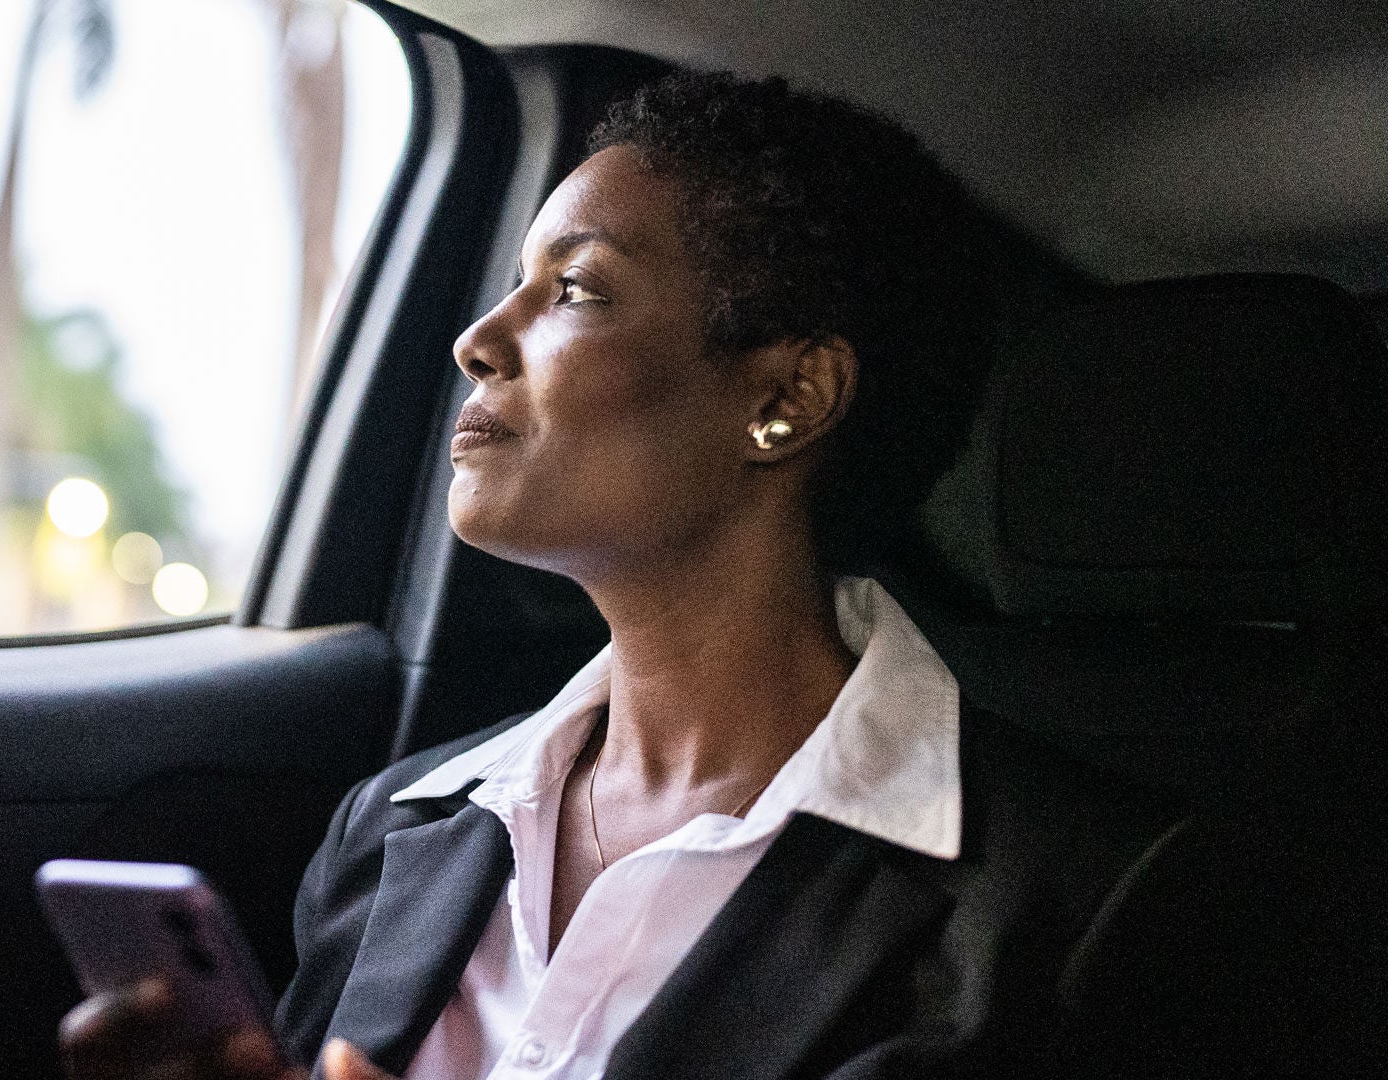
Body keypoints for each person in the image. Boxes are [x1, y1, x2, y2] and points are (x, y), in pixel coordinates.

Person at [61, 72, 1191, 1080]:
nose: (477, 339)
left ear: (787, 398)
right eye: (516, 281)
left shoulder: (1079, 910)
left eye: (575, 290)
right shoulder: (397, 829)